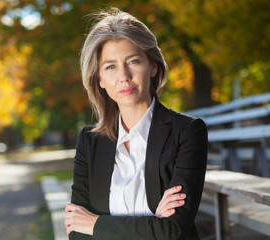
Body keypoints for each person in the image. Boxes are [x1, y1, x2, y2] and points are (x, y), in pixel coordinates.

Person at [64, 7, 208, 240]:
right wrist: (152, 223)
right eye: (110, 66)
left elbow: (172, 230)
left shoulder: (188, 132)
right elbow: (77, 232)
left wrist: (96, 223)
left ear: (152, 66)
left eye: (133, 61)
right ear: (99, 79)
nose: (124, 76)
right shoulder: (90, 140)